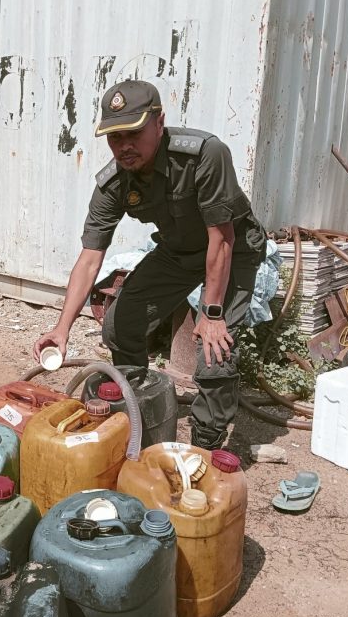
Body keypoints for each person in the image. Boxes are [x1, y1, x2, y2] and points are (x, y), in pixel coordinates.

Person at [33, 80, 266, 450]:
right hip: (178, 250)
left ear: (159, 122)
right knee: (121, 322)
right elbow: (91, 257)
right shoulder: (115, 182)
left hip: (231, 251)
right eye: (114, 137)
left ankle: (206, 445)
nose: (124, 146)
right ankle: (136, 404)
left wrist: (212, 312)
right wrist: (62, 329)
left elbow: (222, 240)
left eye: (134, 133)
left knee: (213, 347)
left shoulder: (205, 155)